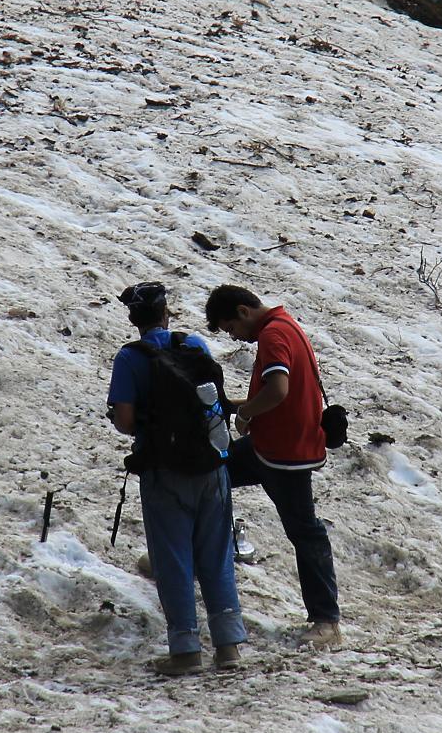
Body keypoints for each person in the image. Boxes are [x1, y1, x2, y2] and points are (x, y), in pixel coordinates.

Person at [107, 282, 247, 676]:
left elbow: (125, 421)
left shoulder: (130, 358)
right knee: (217, 554)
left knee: (174, 559)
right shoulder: (194, 345)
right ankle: (229, 646)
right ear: (166, 313)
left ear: (134, 319)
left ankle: (186, 650)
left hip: (164, 470)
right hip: (212, 465)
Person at [204, 284, 342, 651]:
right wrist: (235, 405)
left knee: (305, 531)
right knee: (207, 478)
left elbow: (278, 389)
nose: (236, 337)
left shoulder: (272, 334)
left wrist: (246, 413)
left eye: (232, 328)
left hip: (285, 453)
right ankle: (177, 563)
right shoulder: (285, 325)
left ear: (243, 311)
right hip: (271, 447)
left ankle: (327, 622)